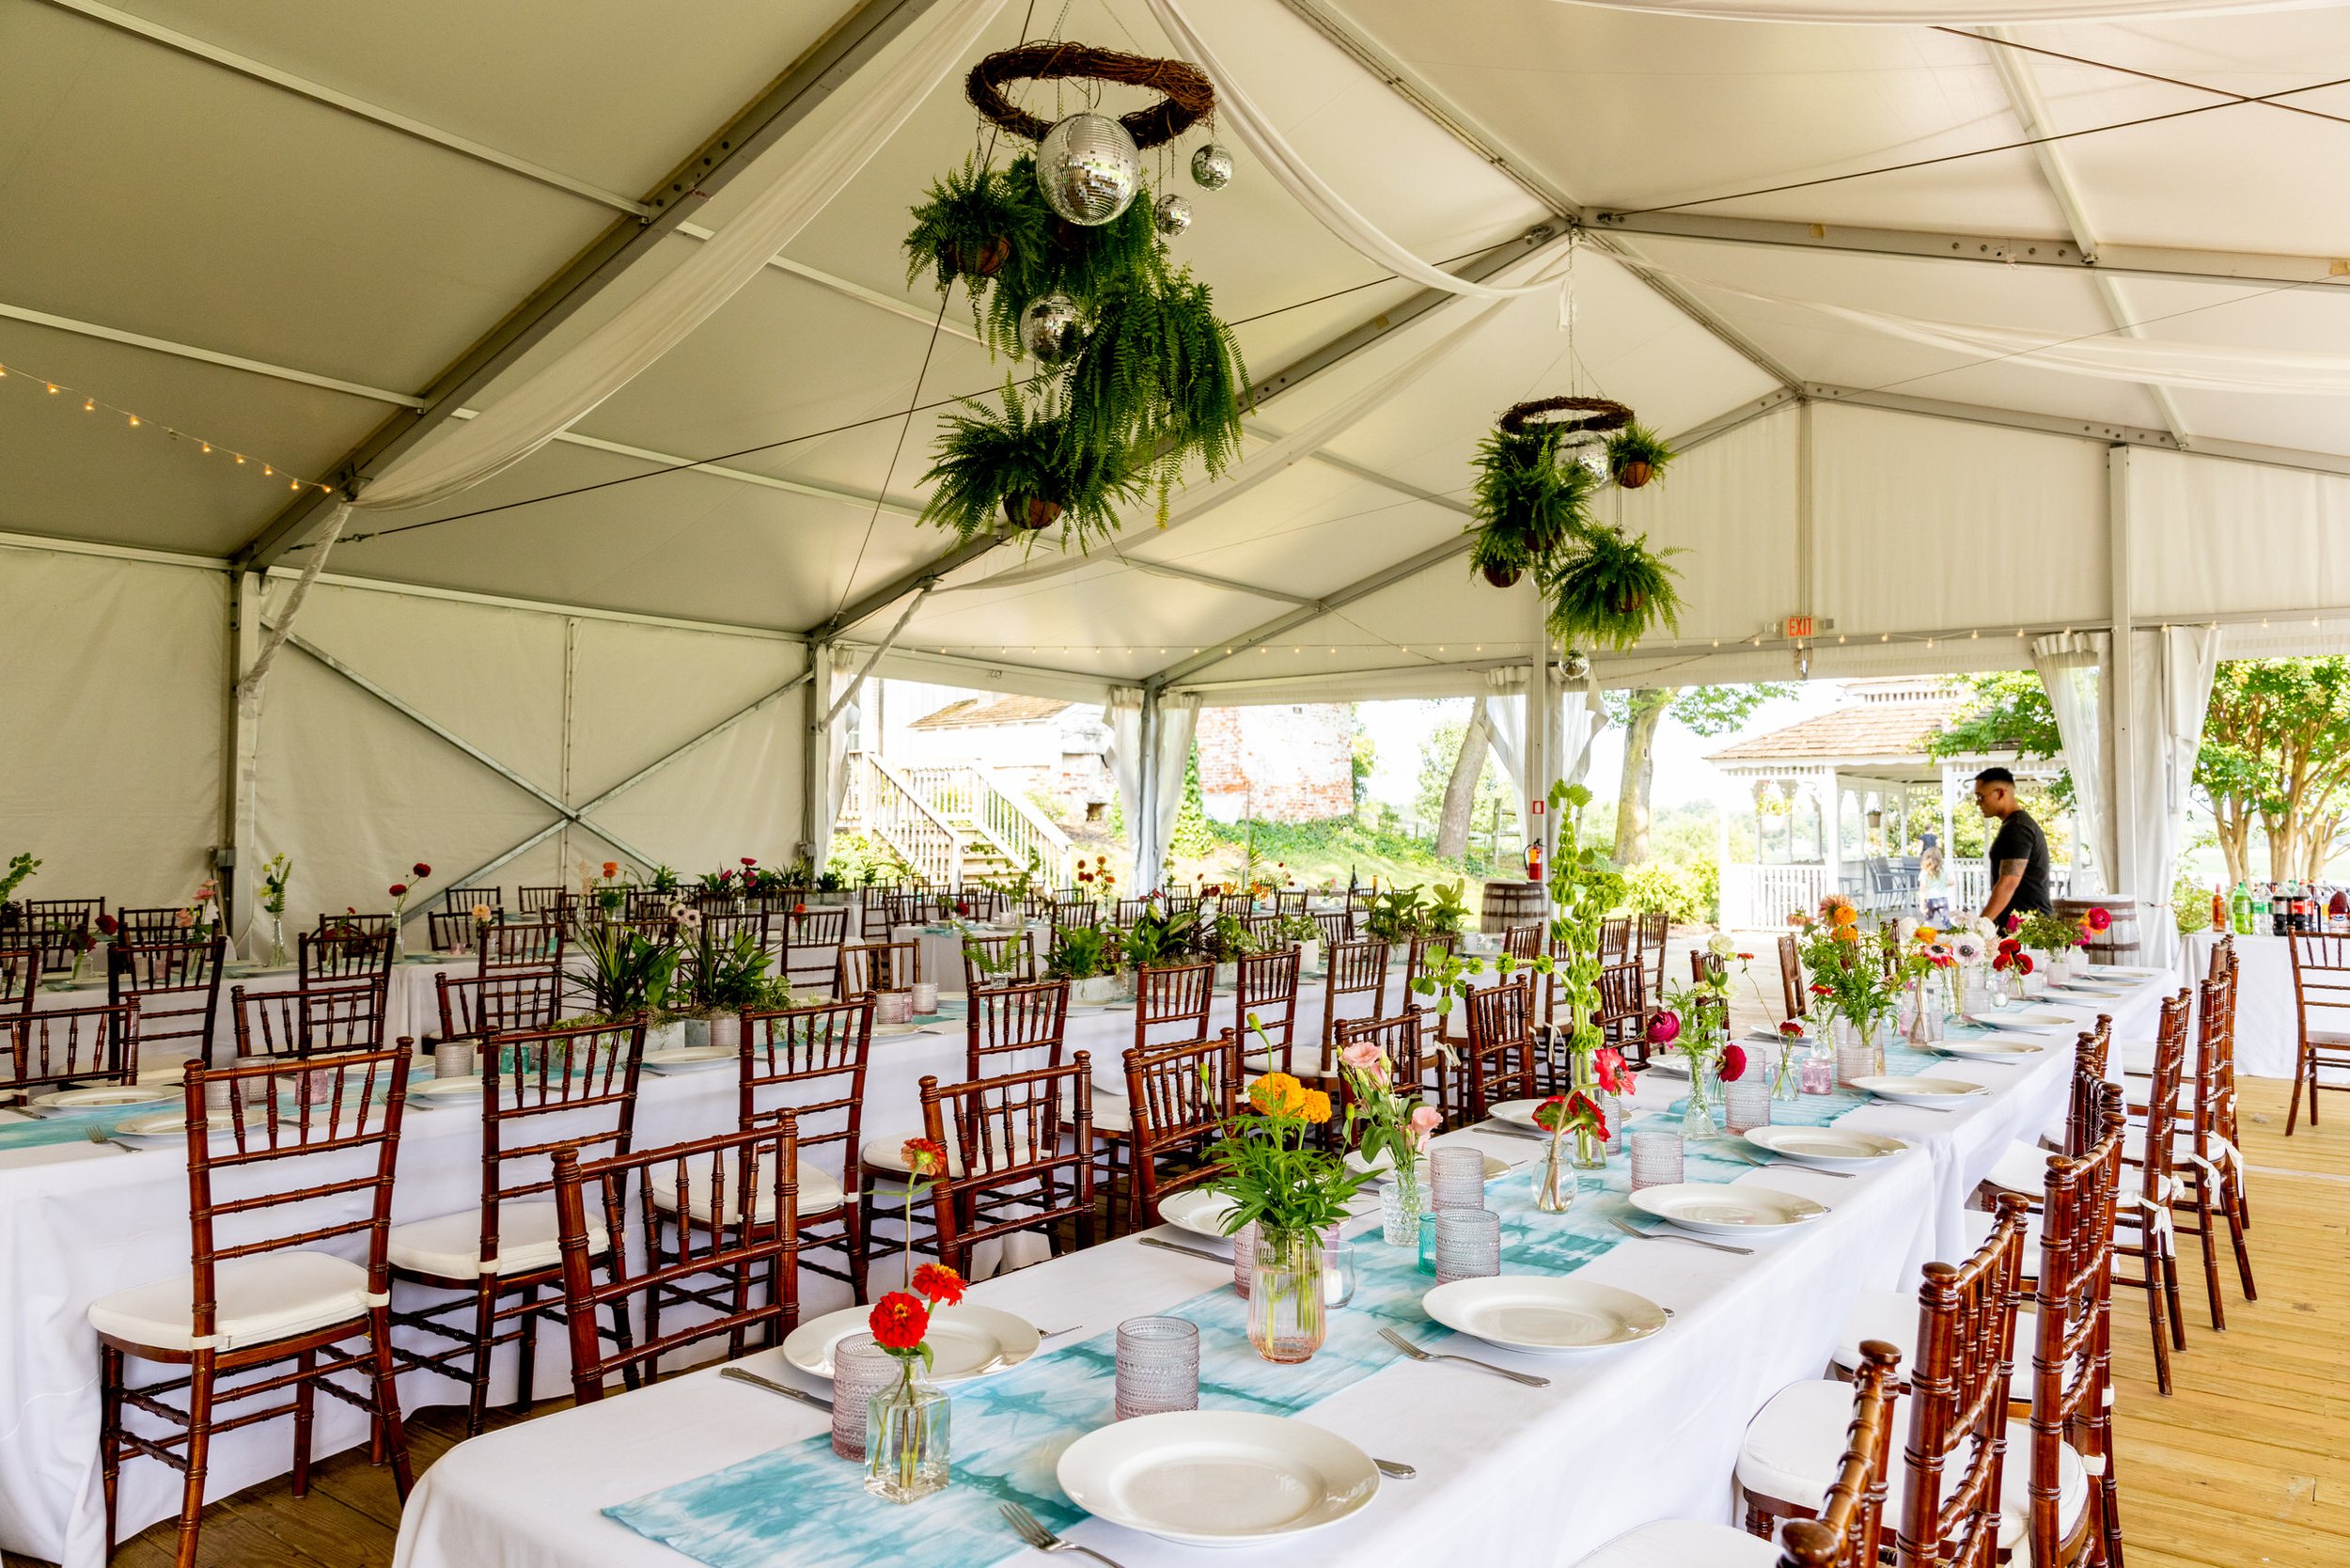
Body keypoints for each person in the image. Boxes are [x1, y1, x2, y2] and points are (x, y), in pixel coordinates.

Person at [1972, 767, 2052, 927]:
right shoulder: (2015, 825)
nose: (1978, 803)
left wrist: (1980, 928)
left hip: (2027, 929)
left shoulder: (2017, 828)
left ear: (2001, 793)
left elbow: (2008, 883)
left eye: (1981, 796)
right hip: (2018, 926)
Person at [1919, 843, 1950, 924]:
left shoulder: (1924, 873)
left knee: (1928, 922)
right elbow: (1952, 881)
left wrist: (1922, 904)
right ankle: (1952, 934)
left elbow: (1923, 889)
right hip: (1943, 899)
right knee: (1946, 922)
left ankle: (1926, 936)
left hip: (1930, 900)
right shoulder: (1944, 870)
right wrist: (1945, 884)